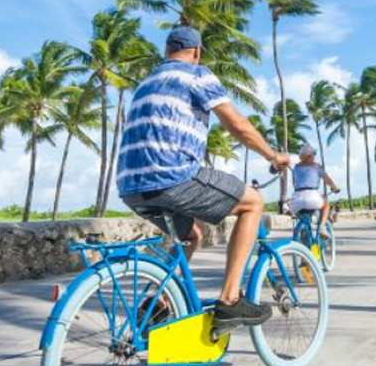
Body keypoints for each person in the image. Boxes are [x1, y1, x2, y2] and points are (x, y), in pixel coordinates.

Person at [117, 26, 288, 335]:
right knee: (253, 203)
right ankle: (230, 300)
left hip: (130, 187)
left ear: (167, 51)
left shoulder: (146, 83)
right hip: (173, 176)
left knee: (192, 234)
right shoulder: (195, 74)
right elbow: (237, 125)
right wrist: (272, 155)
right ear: (197, 52)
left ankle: (157, 301)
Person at [290, 144, 340, 230]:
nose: (315, 156)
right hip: (312, 197)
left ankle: (302, 227)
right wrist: (335, 188)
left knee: (299, 211)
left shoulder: (296, 167)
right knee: (326, 204)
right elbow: (329, 181)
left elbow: (294, 183)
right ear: (310, 156)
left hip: (296, 199)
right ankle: (322, 227)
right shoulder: (317, 166)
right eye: (314, 153)